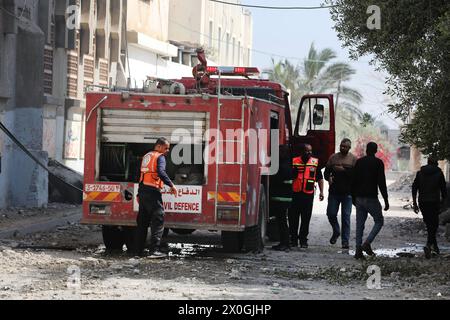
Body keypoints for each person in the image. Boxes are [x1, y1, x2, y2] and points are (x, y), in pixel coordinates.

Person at [135, 138, 177, 258]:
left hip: (143, 191)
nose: (167, 150)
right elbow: (161, 172)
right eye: (166, 148)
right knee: (158, 220)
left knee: (142, 222)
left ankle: (138, 251)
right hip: (153, 192)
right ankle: (154, 251)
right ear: (158, 146)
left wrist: (139, 193)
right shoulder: (160, 157)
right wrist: (171, 185)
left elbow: (140, 175)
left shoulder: (147, 156)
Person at [352, 142, 389, 260]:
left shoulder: (359, 162)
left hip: (359, 198)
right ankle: (367, 243)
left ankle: (358, 250)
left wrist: (353, 197)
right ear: (376, 151)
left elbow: (353, 180)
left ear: (366, 150)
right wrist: (386, 200)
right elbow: (381, 183)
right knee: (379, 221)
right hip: (371, 198)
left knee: (359, 225)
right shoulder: (378, 163)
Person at [288, 144, 324, 248]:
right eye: (307, 151)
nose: (309, 153)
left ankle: (303, 240)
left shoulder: (314, 162)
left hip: (308, 195)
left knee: (306, 218)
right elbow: (287, 175)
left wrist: (322, 192)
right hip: (295, 194)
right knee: (293, 218)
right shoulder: (294, 161)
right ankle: (293, 239)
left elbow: (319, 178)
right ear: (302, 151)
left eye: (310, 151)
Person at [412, 156, 447, 259]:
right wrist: (444, 204)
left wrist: (414, 203)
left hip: (422, 202)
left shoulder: (420, 173)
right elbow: (444, 190)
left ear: (427, 162)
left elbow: (414, 188)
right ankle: (428, 245)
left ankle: (434, 247)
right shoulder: (439, 173)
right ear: (436, 163)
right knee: (434, 224)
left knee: (429, 224)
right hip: (434, 202)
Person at [324, 138, 357, 249]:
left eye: (345, 146)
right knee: (331, 213)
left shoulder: (353, 159)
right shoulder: (333, 157)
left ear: (349, 148)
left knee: (346, 217)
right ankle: (336, 230)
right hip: (334, 192)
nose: (342, 148)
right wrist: (329, 177)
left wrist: (343, 170)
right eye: (341, 146)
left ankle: (345, 241)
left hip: (347, 193)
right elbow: (326, 172)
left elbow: (355, 176)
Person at [270, 145, 294, 252]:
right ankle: (284, 243)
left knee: (282, 222)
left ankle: (285, 243)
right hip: (284, 198)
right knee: (282, 222)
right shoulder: (287, 164)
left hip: (281, 199)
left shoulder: (282, 166)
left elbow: (276, 180)